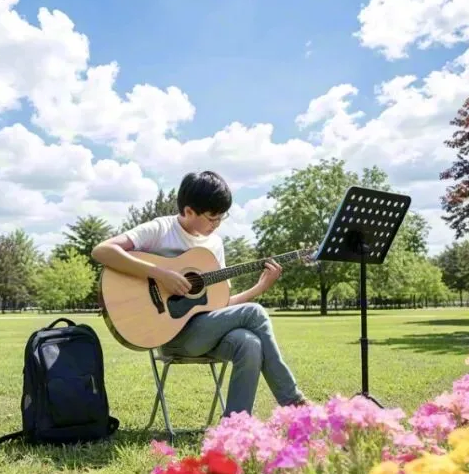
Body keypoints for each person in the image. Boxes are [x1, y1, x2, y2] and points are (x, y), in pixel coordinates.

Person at [91, 170, 308, 417]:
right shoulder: (162, 229)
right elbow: (102, 251)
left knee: (250, 343)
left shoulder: (214, 245)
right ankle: (294, 403)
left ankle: (235, 428)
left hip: (207, 333)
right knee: (255, 313)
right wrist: (161, 274)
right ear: (189, 211)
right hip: (172, 337)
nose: (216, 225)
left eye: (221, 218)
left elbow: (220, 305)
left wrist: (259, 288)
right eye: (212, 218)